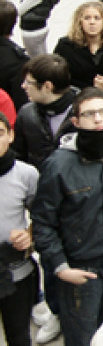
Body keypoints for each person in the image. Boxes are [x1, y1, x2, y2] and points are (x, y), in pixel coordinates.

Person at [32, 87, 103, 346]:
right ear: (76, 121)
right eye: (89, 114)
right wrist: (61, 268)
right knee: (82, 339)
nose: (97, 119)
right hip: (80, 272)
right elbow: (43, 222)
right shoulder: (58, 165)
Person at [0, 111, 38, 346]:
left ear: (11, 135)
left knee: (19, 337)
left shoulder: (26, 174)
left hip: (15, 271)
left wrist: (29, 236)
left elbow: (43, 217)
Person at [52, 1, 103, 93]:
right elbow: (56, 75)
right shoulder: (66, 45)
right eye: (87, 18)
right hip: (76, 99)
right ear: (80, 21)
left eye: (97, 18)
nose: (92, 22)